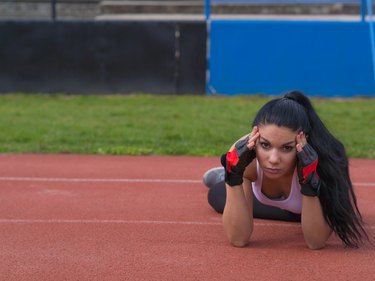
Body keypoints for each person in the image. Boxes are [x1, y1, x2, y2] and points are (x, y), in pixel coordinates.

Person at [203, 90, 368, 249]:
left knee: (300, 218)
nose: (273, 159)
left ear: (302, 142)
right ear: (255, 137)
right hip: (270, 199)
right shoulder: (244, 155)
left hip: (306, 207)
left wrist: (310, 179)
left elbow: (315, 242)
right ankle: (223, 175)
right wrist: (233, 174)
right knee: (217, 195)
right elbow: (238, 239)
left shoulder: (322, 162)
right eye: (265, 145)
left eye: (286, 148)